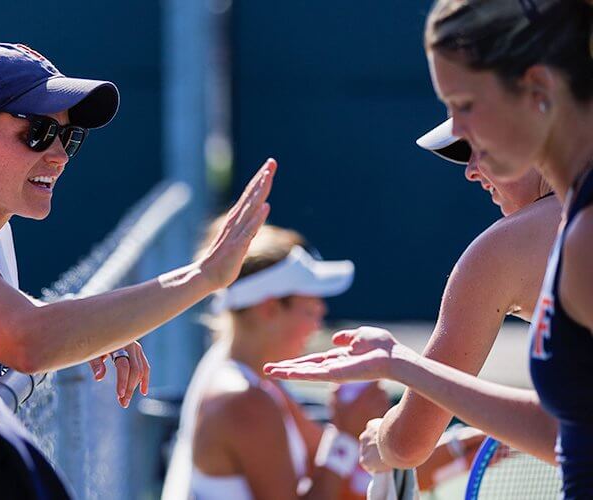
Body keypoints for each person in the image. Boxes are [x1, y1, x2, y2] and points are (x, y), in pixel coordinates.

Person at [0, 42, 276, 496]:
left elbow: (10, 318)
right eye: (39, 133)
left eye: (68, 137)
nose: (60, 155)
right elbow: (29, 339)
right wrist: (202, 277)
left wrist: (87, 329)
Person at [266, 1, 593, 497]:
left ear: (537, 91)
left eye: (465, 106)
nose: (458, 138)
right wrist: (401, 365)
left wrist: (399, 407)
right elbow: (570, 436)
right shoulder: (574, 226)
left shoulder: (579, 236)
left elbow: (411, 442)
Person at [355, 116, 559, 477]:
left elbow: (408, 444)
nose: (470, 171)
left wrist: (380, 439)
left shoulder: (501, 251)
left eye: (479, 146)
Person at [161, 220, 371, 499]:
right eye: (310, 312)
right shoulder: (244, 400)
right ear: (270, 309)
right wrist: (345, 436)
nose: (317, 326)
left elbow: (320, 456)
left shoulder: (255, 380)